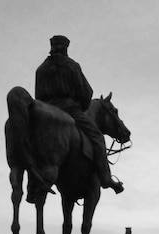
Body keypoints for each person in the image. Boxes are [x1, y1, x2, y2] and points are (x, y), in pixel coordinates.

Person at [35, 35, 124, 194]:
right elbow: (86, 92)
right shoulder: (72, 66)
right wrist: (80, 107)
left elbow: (38, 96)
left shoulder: (41, 69)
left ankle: (32, 184)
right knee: (97, 137)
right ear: (65, 48)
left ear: (52, 47)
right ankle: (105, 178)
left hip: (46, 110)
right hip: (70, 109)